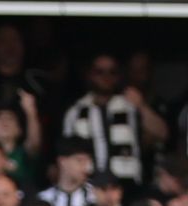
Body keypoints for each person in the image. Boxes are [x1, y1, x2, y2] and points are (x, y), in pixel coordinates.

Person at [62, 53, 166, 191]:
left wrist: (141, 106)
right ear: (90, 75)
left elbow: (162, 133)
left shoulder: (130, 107)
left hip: (127, 186)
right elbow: (66, 151)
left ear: (119, 76)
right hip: (87, 187)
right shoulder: (76, 111)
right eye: (99, 72)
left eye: (112, 72)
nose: (106, 77)